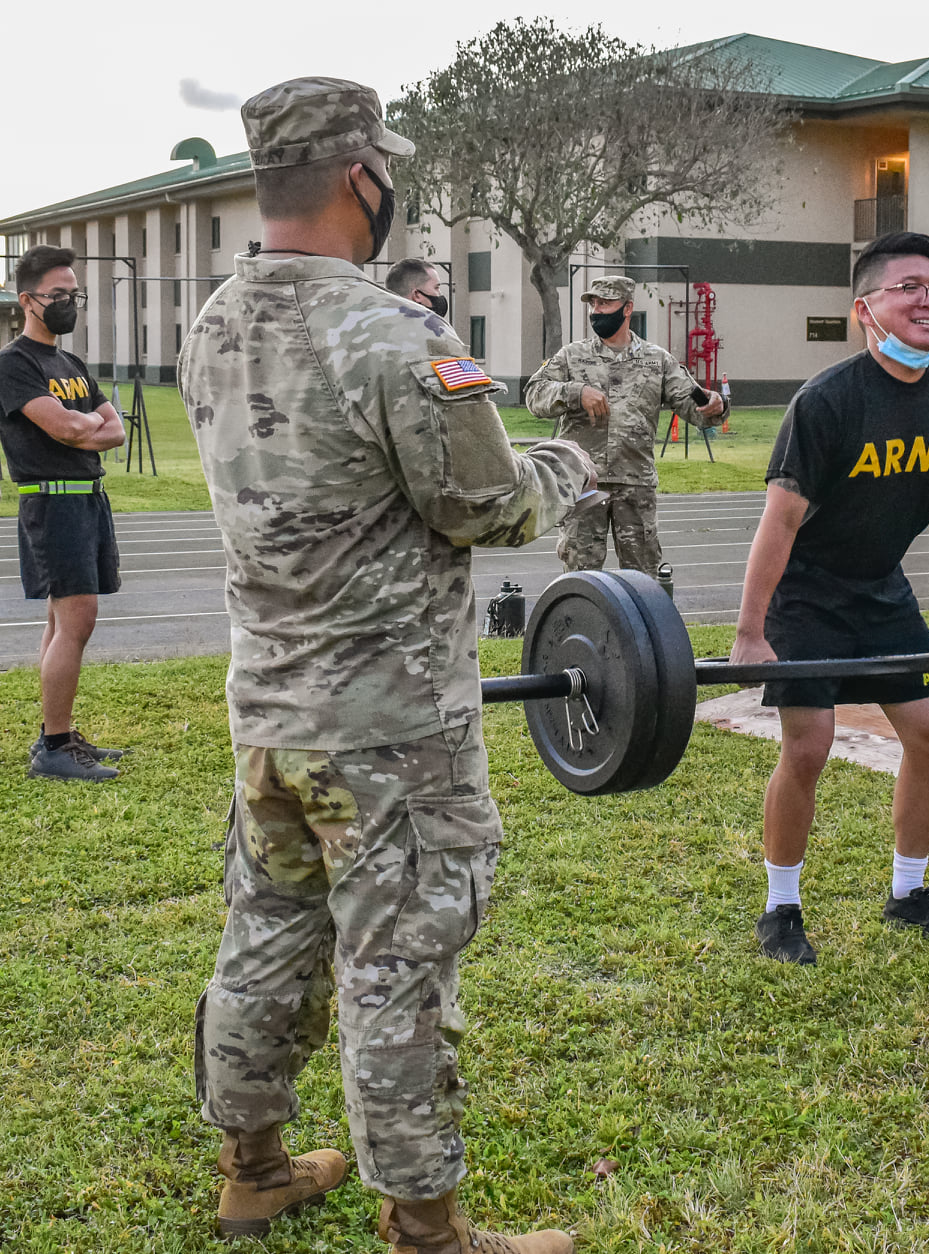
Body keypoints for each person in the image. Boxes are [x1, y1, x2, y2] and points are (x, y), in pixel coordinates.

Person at [179, 77, 596, 1254]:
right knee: (398, 962)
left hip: (269, 710)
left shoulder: (212, 321)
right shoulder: (394, 332)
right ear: (363, 177)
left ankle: (252, 1167)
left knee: (267, 932)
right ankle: (429, 1229)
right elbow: (485, 506)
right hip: (389, 728)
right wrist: (562, 462)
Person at [729, 231, 929, 964]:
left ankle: (907, 893)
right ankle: (780, 909)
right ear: (865, 309)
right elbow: (779, 521)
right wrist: (751, 632)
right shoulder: (826, 402)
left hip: (882, 592)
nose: (927, 300)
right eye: (908, 286)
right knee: (809, 748)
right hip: (808, 596)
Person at [0, 244, 127, 782]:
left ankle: (59, 734)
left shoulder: (70, 363)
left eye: (75, 294)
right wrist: (85, 429)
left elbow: (116, 430)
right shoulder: (14, 364)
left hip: (86, 498)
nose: (70, 303)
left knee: (62, 623)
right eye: (59, 295)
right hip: (52, 502)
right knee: (76, 620)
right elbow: (71, 428)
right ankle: (54, 747)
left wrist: (86, 429)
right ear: (28, 300)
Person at [524, 275, 725, 573]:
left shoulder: (657, 361)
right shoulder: (572, 356)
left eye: (605, 303)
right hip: (584, 484)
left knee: (643, 577)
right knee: (581, 577)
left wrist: (714, 406)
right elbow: (534, 394)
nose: (597, 310)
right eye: (594, 303)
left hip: (635, 485)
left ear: (627, 308)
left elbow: (694, 407)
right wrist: (574, 392)